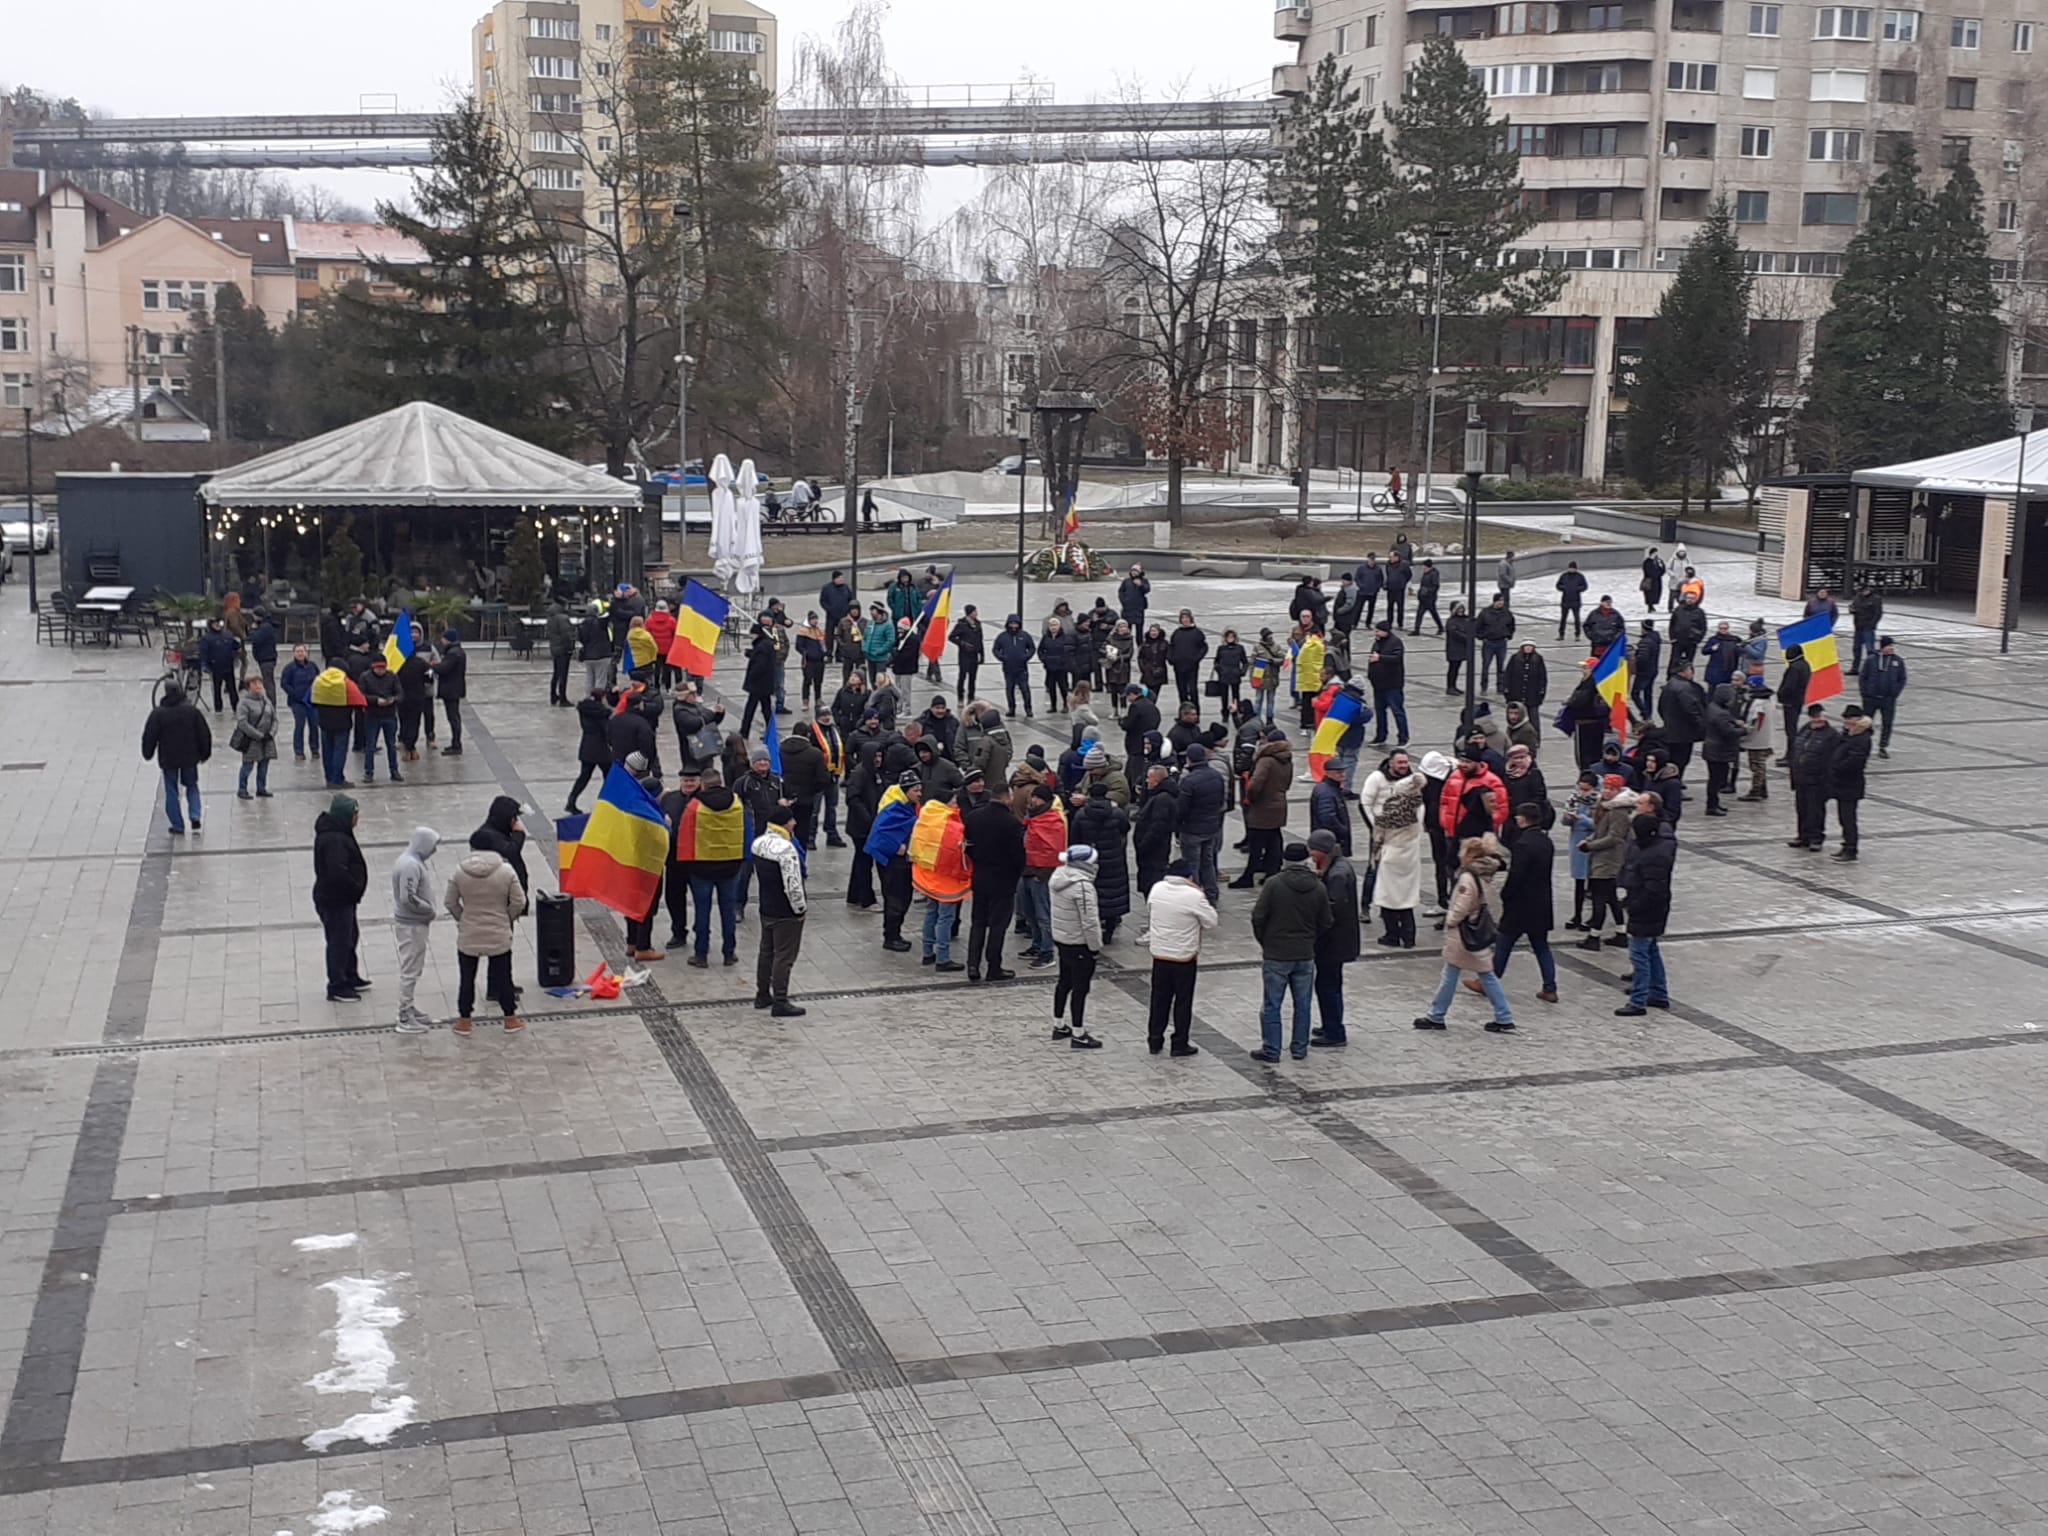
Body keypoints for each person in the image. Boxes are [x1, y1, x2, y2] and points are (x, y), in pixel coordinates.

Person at [1414, 834, 1514, 1033]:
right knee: (1484, 973)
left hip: (1464, 934)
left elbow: (1461, 906)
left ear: (1469, 855)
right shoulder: (1486, 872)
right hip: (1477, 930)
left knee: (1453, 974)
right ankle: (1503, 1016)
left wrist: (1450, 921)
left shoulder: (1467, 877)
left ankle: (1436, 1015)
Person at [1249, 842, 1332, 1062]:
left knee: (1272, 1005)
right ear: (1307, 860)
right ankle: (1299, 1048)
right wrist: (1310, 939)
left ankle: (1272, 1049)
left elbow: (1258, 917)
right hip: (1305, 954)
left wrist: (1266, 941)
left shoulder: (1273, 884)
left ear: (1285, 861)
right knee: (1303, 1004)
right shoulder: (1318, 886)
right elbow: (1326, 921)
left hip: (1277, 953)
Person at [445, 826, 527, 1034]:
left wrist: (463, 918)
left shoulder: (460, 871)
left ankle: (464, 1020)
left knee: (467, 977)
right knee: (504, 977)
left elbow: (450, 902)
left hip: (469, 931)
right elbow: (519, 901)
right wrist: (506, 917)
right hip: (498, 931)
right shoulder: (506, 871)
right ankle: (510, 1018)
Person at [678, 765, 750, 965]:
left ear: (703, 783)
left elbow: (685, 836)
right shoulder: (736, 803)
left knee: (702, 911)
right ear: (721, 783)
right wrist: (744, 860)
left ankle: (701, 954)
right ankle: (729, 953)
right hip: (730, 867)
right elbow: (746, 831)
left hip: (701, 868)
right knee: (728, 911)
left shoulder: (694, 805)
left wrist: (685, 865)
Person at [1145, 861, 1216, 1056]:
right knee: (1182, 1001)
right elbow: (1211, 921)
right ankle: (1179, 1043)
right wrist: (1199, 892)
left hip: (1160, 953)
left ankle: (1154, 1040)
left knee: (1159, 999)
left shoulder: (1157, 888)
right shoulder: (1193, 895)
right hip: (1184, 956)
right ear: (1189, 877)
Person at [1491, 803, 1558, 1004]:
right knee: (1541, 946)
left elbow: (1516, 875)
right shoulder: (1546, 841)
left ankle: (1489, 982)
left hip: (1521, 904)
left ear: (1523, 818)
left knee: (1503, 943)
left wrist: (1505, 894)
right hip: (1541, 902)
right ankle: (1550, 987)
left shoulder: (1523, 844)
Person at [1613, 811, 1676, 1017]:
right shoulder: (1654, 849)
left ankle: (1638, 1001)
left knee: (1639, 955)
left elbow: (1653, 890)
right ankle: (1658, 993)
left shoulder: (1653, 855)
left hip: (1646, 911)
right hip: (1651, 910)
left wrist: (1634, 906)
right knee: (1651, 951)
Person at [750, 804, 808, 1016]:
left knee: (766, 952)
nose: (795, 823)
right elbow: (792, 883)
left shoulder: (758, 844)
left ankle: (762, 994)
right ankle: (780, 1001)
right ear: (785, 823)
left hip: (766, 907)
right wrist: (800, 908)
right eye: (792, 820)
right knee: (784, 956)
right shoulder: (786, 848)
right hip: (785, 912)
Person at [1361, 751, 1424, 948]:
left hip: (1392, 854)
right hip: (1411, 853)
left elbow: (1381, 831)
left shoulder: (1393, 810)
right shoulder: (1418, 806)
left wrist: (1376, 841)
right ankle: (1409, 937)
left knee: (1388, 896)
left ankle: (1392, 935)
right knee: (1406, 898)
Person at [1046, 847, 1106, 1049]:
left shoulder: (1059, 875)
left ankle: (1059, 1024)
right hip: (1079, 943)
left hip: (1062, 938)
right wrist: (1095, 947)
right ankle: (1079, 1033)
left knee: (1064, 982)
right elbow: (1090, 922)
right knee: (1080, 989)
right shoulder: (1082, 886)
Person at [1305, 828, 1359, 1049]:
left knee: (1328, 985)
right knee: (1330, 983)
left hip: (1334, 942)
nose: (1310, 855)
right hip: (1339, 940)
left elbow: (1331, 910)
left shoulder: (1337, 874)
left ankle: (1335, 1030)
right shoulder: (1337, 866)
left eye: (1313, 850)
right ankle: (1331, 1023)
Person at [313, 793, 369, 1002]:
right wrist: (354, 888)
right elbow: (337, 872)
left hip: (343, 899)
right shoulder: (334, 838)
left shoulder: (339, 832)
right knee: (339, 940)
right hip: (335, 899)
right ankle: (337, 985)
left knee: (350, 936)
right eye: (355, 814)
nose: (357, 819)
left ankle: (350, 975)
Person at [387, 826, 442, 1035]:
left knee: (413, 968)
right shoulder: (410, 865)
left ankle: (409, 1008)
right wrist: (427, 910)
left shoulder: (412, 862)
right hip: (412, 925)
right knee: (410, 970)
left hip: (415, 923)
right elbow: (407, 897)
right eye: (433, 845)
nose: (434, 851)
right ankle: (404, 1014)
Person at [142, 680, 213, 835]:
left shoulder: (158, 714)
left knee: (172, 790)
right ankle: (195, 814)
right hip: (190, 757)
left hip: (169, 759)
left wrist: (148, 753)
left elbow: (150, 736)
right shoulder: (191, 711)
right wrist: (204, 753)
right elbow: (204, 733)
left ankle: (177, 824)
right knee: (192, 785)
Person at [1575, 775, 1635, 947]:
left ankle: (1594, 938)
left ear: (1618, 791)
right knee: (1611, 898)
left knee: (1599, 898)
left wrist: (1590, 845)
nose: (1607, 792)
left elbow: (1615, 838)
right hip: (1602, 858)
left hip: (1607, 860)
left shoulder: (1618, 811)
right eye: (1606, 788)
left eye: (1612, 789)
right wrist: (1589, 840)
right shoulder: (1607, 807)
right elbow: (1601, 830)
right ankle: (1620, 933)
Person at [1231, 730, 1295, 889]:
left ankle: (1248, 876)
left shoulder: (1266, 761)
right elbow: (1287, 783)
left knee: (1256, 843)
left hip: (1262, 807)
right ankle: (1272, 872)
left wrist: (1251, 798)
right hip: (1279, 804)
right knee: (1274, 839)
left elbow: (1255, 784)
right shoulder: (1287, 760)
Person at [1070, 780, 1133, 941]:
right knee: (1112, 893)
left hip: (1089, 860)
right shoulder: (1116, 813)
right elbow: (1125, 828)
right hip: (1113, 858)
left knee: (1093, 893)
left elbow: (1074, 837)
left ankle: (1094, 929)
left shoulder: (1082, 814)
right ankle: (1110, 931)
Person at [1019, 783, 1067, 965]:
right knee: (1030, 912)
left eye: (1037, 797)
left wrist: (1043, 873)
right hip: (1027, 870)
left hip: (1041, 874)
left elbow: (1055, 849)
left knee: (1043, 914)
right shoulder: (1031, 817)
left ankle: (1047, 952)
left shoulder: (1053, 821)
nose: (1033, 800)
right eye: (1033, 797)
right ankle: (1037, 944)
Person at [1175, 742, 1227, 902]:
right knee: (1208, 862)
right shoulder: (1216, 775)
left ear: (1189, 759)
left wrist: (1177, 827)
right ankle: (1212, 895)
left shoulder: (1189, 781)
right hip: (1211, 827)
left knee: (1192, 864)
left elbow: (1181, 808)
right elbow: (1221, 801)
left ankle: (1195, 898)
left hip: (1192, 828)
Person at [1788, 703, 1839, 852]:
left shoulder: (1831, 735)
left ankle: (1816, 837)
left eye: (1821, 716)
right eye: (1815, 717)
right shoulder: (1805, 729)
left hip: (1817, 780)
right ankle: (1803, 836)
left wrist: (1827, 782)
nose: (1819, 719)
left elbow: (1831, 761)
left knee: (1815, 810)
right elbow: (1796, 751)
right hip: (1801, 778)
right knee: (1801, 808)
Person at [1831, 704, 1873, 860]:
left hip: (1850, 783)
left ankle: (1851, 848)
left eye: (1849, 718)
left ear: (1858, 719)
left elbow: (1855, 761)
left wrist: (1837, 767)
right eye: (1845, 718)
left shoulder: (1861, 738)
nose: (1846, 721)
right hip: (1842, 782)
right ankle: (1846, 845)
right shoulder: (1849, 735)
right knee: (1843, 817)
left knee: (1848, 818)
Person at [1858, 635, 1907, 758]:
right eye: (1889, 646)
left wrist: (1895, 692)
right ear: (1882, 647)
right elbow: (1863, 677)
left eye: (1892, 646)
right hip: (1871, 698)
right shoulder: (1871, 660)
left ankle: (1883, 746)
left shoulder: (1897, 661)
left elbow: (1902, 678)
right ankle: (1864, 745)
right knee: (1866, 723)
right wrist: (1865, 693)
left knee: (1887, 723)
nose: (1891, 648)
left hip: (1888, 699)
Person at [233, 674, 278, 800]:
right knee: (247, 765)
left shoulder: (266, 700)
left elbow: (274, 719)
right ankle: (242, 789)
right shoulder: (244, 703)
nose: (258, 686)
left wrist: (271, 733)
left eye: (259, 683)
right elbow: (242, 723)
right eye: (254, 684)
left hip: (267, 739)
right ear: (249, 687)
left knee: (264, 764)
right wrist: (258, 735)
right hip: (251, 740)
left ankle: (261, 788)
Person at [1364, 620, 1408, 747]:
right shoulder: (1377, 642)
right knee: (1380, 711)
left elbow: (1396, 659)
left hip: (1392, 684)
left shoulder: (1395, 642)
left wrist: (1380, 658)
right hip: (1378, 684)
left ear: (1385, 631)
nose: (1376, 633)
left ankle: (1403, 737)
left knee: (1397, 711)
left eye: (1378, 630)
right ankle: (1381, 736)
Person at [360, 654, 403, 783]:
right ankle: (368, 772)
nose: (381, 671)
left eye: (383, 668)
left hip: (389, 714)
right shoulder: (365, 677)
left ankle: (394, 770)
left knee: (391, 744)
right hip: (372, 715)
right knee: (370, 745)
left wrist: (393, 699)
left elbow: (400, 693)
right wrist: (375, 700)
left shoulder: (392, 676)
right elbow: (361, 695)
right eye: (378, 668)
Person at [1656, 662, 1707, 771]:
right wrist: (1702, 727)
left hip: (1671, 729)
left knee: (1672, 758)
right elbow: (1692, 710)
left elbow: (1660, 707)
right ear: (1684, 671)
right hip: (1684, 732)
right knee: (1681, 759)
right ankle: (1675, 781)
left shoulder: (1669, 684)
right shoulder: (1685, 688)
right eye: (1690, 669)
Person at [993, 614, 1037, 719]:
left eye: (1015, 623)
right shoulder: (1002, 636)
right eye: (1011, 623)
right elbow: (995, 649)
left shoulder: (1024, 635)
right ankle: (1011, 708)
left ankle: (1028, 708)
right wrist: (1002, 657)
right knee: (1010, 689)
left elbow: (1031, 648)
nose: (1013, 626)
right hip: (1008, 668)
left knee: (1025, 689)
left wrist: (1026, 657)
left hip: (1022, 668)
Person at [198, 616, 242, 714]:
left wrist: (238, 649)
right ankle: (218, 709)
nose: (217, 625)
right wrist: (204, 665)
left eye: (218, 622)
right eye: (215, 623)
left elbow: (235, 645)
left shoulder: (227, 635)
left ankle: (236, 707)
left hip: (228, 666)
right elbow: (203, 653)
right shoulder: (206, 638)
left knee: (232, 688)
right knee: (217, 689)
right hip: (215, 668)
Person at [1167, 610, 1208, 710]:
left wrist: (1196, 658)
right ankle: (1184, 713)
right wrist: (1171, 658)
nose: (1185, 620)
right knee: (1182, 691)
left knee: (1193, 690)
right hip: (1179, 666)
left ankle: (1195, 712)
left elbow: (1204, 647)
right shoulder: (1177, 633)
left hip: (1192, 666)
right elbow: (1171, 647)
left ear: (1190, 619)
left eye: (1186, 618)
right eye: (1183, 618)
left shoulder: (1197, 632)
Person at [434, 628, 467, 755]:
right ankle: (455, 743)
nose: (441, 641)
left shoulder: (453, 653)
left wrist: (431, 667)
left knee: (453, 717)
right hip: (455, 688)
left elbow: (444, 668)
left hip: (451, 689)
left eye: (443, 638)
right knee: (454, 717)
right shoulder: (457, 651)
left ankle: (456, 744)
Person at [1310, 760, 1352, 856]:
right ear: (1328, 773)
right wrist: (1343, 830)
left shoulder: (1332, 789)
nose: (1343, 775)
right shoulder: (1326, 792)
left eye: (1343, 771)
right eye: (1338, 772)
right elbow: (1327, 817)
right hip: (1330, 840)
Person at [1475, 593, 1515, 692]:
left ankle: (1500, 686)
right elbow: (1477, 626)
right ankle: (1484, 686)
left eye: (1502, 601)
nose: (1501, 603)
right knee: (1486, 666)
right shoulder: (1485, 612)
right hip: (1489, 643)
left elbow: (1511, 625)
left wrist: (1508, 635)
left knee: (1501, 666)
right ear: (1494, 601)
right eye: (1499, 601)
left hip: (1501, 642)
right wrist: (1481, 636)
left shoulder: (1507, 613)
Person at [1500, 640, 1547, 720]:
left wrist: (1541, 690)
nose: (1528, 648)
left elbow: (1542, 676)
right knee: (1516, 718)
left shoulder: (1538, 659)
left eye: (1530, 646)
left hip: (1532, 694)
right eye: (1526, 646)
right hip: (1516, 693)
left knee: (1534, 717)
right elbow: (1508, 674)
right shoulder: (1515, 658)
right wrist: (1506, 688)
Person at [1849, 585, 1884, 674]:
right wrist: (1852, 610)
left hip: (1868, 627)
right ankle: (1855, 668)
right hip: (1858, 626)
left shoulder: (1875, 599)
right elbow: (1853, 607)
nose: (1863, 592)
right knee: (1856, 648)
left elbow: (1878, 613)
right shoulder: (1857, 598)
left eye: (1865, 591)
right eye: (1861, 591)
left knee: (1870, 649)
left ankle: (1872, 668)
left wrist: (1872, 624)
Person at [861, 601, 896, 684]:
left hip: (880, 659)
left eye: (873, 610)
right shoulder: (870, 623)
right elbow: (865, 637)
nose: (871, 613)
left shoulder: (888, 625)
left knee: (880, 681)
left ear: (879, 611)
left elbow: (890, 641)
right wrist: (865, 647)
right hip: (870, 657)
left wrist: (880, 651)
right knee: (872, 680)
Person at [1443, 601, 1474, 695]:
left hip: (1461, 648)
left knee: (1456, 668)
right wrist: (1467, 637)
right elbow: (1455, 633)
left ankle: (1453, 686)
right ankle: (1450, 687)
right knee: (1453, 668)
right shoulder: (1451, 621)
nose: (1461, 611)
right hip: (1454, 649)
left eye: (1462, 609)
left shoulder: (1466, 619)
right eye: (1458, 609)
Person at [1555, 561, 1588, 639]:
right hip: (1565, 601)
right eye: (1570, 568)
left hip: (1576, 601)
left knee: (1576, 619)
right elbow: (1558, 585)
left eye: (1573, 568)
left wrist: (1577, 589)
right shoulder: (1564, 576)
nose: (1571, 569)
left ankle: (1577, 635)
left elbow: (1585, 586)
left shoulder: (1580, 576)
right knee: (1563, 618)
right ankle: (1561, 634)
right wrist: (1564, 588)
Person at [1410, 558, 1443, 636]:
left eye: (1424, 566)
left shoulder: (1433, 574)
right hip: (1423, 597)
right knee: (1420, 613)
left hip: (1430, 598)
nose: (1423, 567)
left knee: (1433, 613)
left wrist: (1427, 591)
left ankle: (1440, 627)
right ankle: (1417, 630)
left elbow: (1435, 586)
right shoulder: (1426, 573)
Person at [1639, 546, 1666, 613]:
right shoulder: (1647, 562)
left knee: (1656, 593)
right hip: (1650, 580)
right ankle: (1650, 606)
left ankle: (1653, 605)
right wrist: (1654, 574)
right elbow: (1647, 570)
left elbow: (1663, 569)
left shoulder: (1659, 561)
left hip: (1657, 580)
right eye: (1655, 553)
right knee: (1649, 594)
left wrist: (1660, 571)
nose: (1656, 554)